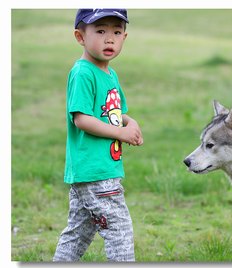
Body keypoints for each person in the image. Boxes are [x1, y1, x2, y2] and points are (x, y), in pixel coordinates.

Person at [53, 9, 143, 262]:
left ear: (125, 36)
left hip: (97, 170)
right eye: (100, 31)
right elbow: (82, 119)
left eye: (116, 32)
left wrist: (131, 122)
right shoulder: (83, 72)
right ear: (80, 37)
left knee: (78, 233)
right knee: (119, 231)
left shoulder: (109, 74)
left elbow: (116, 112)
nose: (110, 39)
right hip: (96, 171)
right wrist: (121, 133)